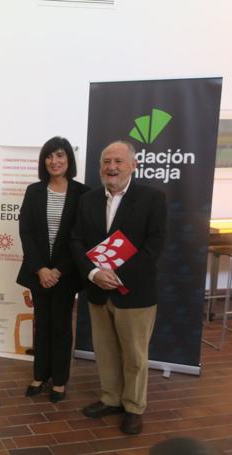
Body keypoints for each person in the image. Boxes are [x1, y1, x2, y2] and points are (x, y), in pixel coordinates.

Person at [71, 140, 167, 435]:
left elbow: (154, 247)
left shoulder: (153, 198)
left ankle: (134, 407)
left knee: (135, 356)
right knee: (106, 350)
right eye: (106, 162)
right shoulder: (88, 200)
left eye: (118, 162)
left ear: (133, 165)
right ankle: (111, 399)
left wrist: (117, 274)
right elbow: (76, 242)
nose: (111, 167)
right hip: (98, 290)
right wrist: (94, 274)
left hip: (135, 293)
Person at [16, 136, 89, 403]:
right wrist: (40, 269)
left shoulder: (83, 193)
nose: (54, 161)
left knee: (61, 327)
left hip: (66, 274)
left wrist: (57, 270)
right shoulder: (34, 190)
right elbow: (25, 231)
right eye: (49, 156)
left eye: (59, 156)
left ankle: (59, 380)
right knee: (42, 325)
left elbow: (81, 238)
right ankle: (40, 375)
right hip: (39, 273)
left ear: (69, 159)